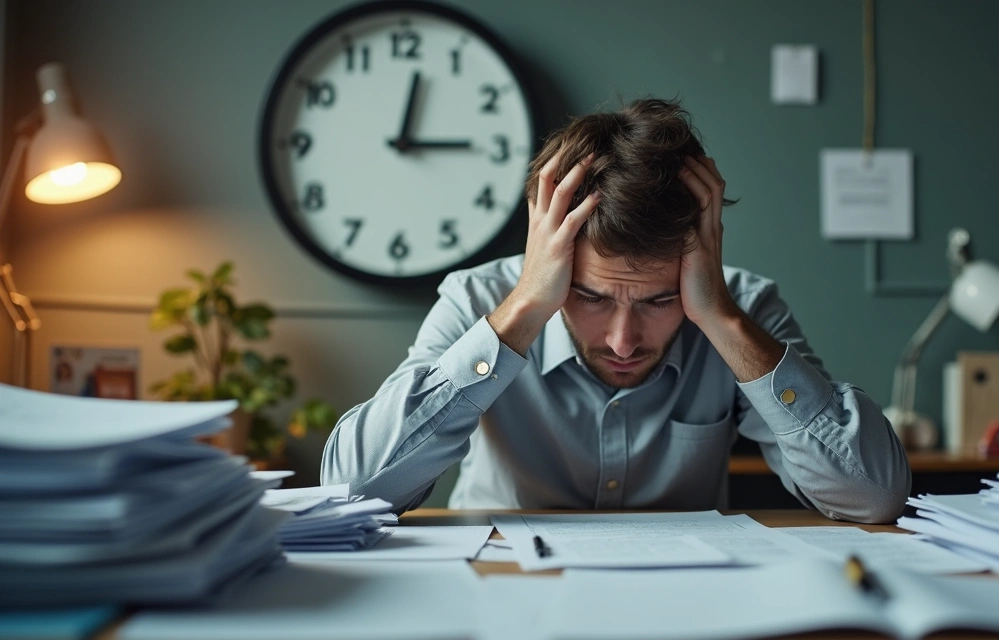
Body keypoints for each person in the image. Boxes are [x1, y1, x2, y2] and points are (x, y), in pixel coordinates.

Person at [321, 99, 910, 523]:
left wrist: (722, 321)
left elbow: (872, 496)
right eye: (591, 296)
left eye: (659, 300)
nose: (624, 341)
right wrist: (526, 307)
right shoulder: (479, 302)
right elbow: (351, 490)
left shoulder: (742, 309)